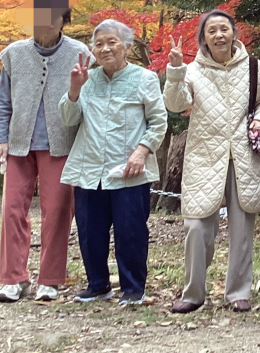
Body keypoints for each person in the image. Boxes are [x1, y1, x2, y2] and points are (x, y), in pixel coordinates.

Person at [164, 9, 260, 313]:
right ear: (203, 38)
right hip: (204, 157)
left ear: (234, 33)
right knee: (197, 227)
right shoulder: (192, 70)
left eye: (224, 29)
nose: (219, 35)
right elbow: (175, 105)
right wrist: (174, 71)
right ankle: (193, 293)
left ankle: (238, 292)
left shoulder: (253, 66)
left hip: (244, 157)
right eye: (211, 30)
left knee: (242, 230)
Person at [0, 0, 90, 303]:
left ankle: (49, 279)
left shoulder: (80, 52)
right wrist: (1, 139)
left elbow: (88, 99)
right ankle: (13, 279)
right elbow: (4, 101)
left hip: (61, 142)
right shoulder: (13, 54)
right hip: (19, 143)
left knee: (58, 210)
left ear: (64, 18)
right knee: (12, 210)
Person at [60, 19, 167, 305]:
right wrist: (74, 89)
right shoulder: (87, 78)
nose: (105, 48)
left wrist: (142, 151)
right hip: (89, 168)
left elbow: (158, 121)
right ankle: (97, 284)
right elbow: (68, 120)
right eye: (99, 44)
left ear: (127, 47)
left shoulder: (144, 78)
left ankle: (133, 288)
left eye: (112, 42)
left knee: (130, 230)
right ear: (93, 49)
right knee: (89, 231)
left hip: (129, 169)